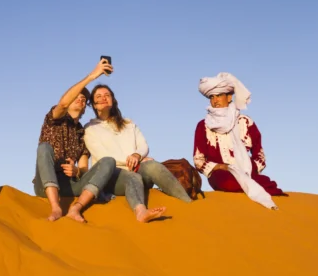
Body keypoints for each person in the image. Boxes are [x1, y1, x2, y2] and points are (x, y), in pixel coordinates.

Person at [84, 85, 193, 223]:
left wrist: (137, 156)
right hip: (113, 175)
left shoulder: (129, 124)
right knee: (132, 177)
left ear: (113, 100)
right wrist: (130, 161)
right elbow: (102, 156)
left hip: (136, 168)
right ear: (94, 105)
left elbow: (143, 145)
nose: (103, 98)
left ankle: (188, 203)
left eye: (107, 95)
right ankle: (141, 212)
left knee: (153, 165)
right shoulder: (90, 129)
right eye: (98, 96)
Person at [33, 59, 116, 223]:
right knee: (44, 148)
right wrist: (92, 76)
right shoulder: (54, 118)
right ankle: (56, 207)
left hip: (69, 186)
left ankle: (76, 208)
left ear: (85, 108)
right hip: (46, 184)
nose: (81, 99)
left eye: (84, 99)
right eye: (76, 96)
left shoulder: (81, 133)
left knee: (108, 162)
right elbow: (63, 103)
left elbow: (84, 168)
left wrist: (77, 171)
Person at [195, 72, 284, 209]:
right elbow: (198, 159)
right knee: (229, 183)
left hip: (247, 172)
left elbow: (259, 154)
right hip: (221, 174)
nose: (215, 100)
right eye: (212, 97)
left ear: (229, 97)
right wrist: (220, 166)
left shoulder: (245, 122)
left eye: (219, 95)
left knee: (269, 185)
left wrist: (250, 168)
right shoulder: (204, 125)